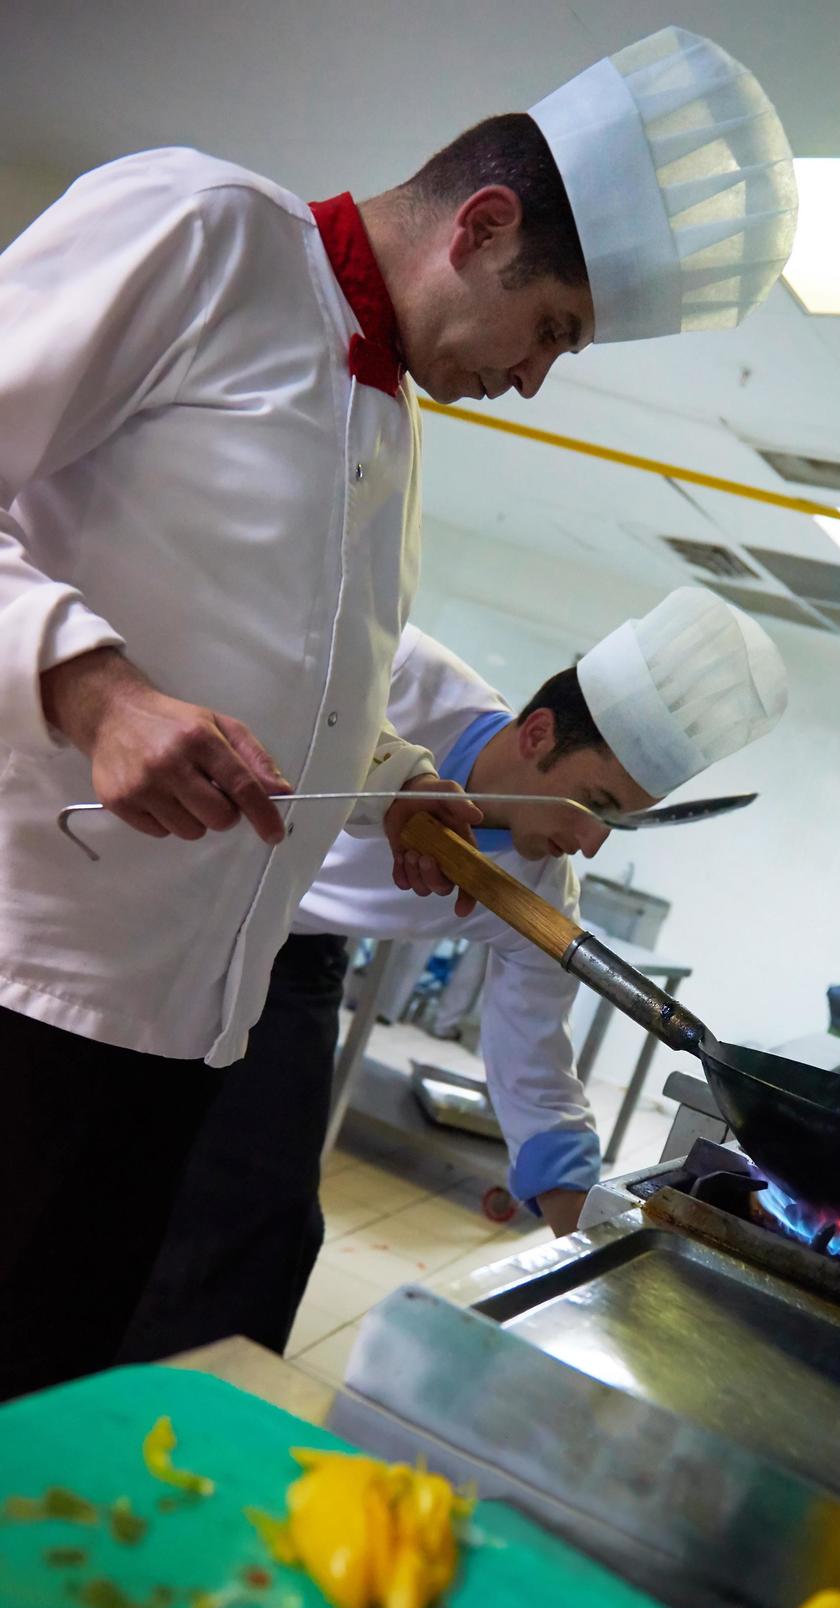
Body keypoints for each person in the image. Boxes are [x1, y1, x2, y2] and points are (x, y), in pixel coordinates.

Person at [0, 27, 798, 1395]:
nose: (539, 376)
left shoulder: (388, 431)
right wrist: (91, 684)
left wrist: (391, 780)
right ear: (484, 228)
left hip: (175, 1043)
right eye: (552, 329)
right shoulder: (206, 234)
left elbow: (292, 688)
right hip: (26, 992)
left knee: (43, 1412)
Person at [119, 588, 787, 1361]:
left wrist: (599, 1259)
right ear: (537, 735)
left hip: (292, 956)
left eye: (617, 823)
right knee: (118, 1144)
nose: (590, 844)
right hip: (179, 887)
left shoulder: (538, 888)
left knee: (266, 1220)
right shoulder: (401, 673)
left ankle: (181, 1406)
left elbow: (535, 1070)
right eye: (594, 805)